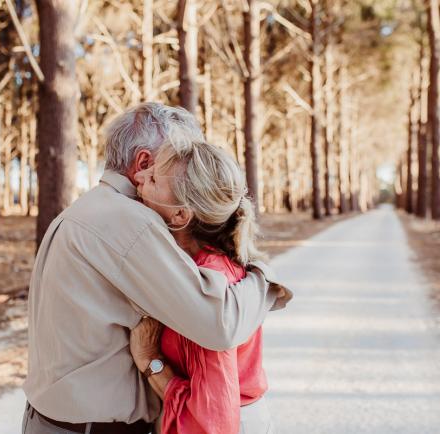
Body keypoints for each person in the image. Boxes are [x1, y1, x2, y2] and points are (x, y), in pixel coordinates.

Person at [22, 103, 290, 434]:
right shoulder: (130, 221)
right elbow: (219, 325)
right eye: (177, 159)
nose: (187, 164)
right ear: (145, 162)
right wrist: (263, 279)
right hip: (92, 428)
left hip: (52, 421)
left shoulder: (86, 208)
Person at [129, 140, 278, 434]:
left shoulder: (207, 287)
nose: (139, 178)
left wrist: (150, 361)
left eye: (154, 179)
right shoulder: (200, 264)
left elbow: (212, 419)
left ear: (181, 215)